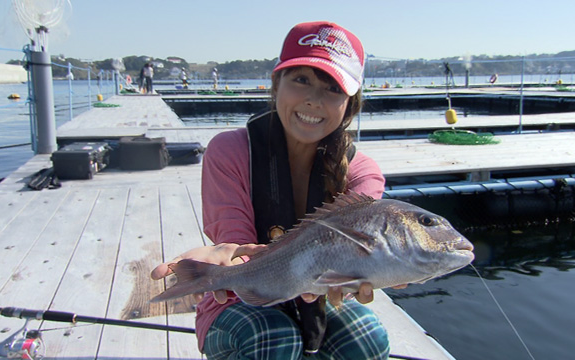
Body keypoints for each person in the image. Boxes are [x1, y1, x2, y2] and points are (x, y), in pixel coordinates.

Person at [152, 21, 394, 359]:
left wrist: (391, 268)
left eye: (332, 89)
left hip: (319, 300)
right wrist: (225, 257)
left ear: (349, 104)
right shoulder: (229, 151)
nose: (313, 99)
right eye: (301, 80)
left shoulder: (363, 172)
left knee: (368, 340)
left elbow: (362, 254)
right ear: (276, 85)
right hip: (238, 296)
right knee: (273, 338)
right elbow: (234, 242)